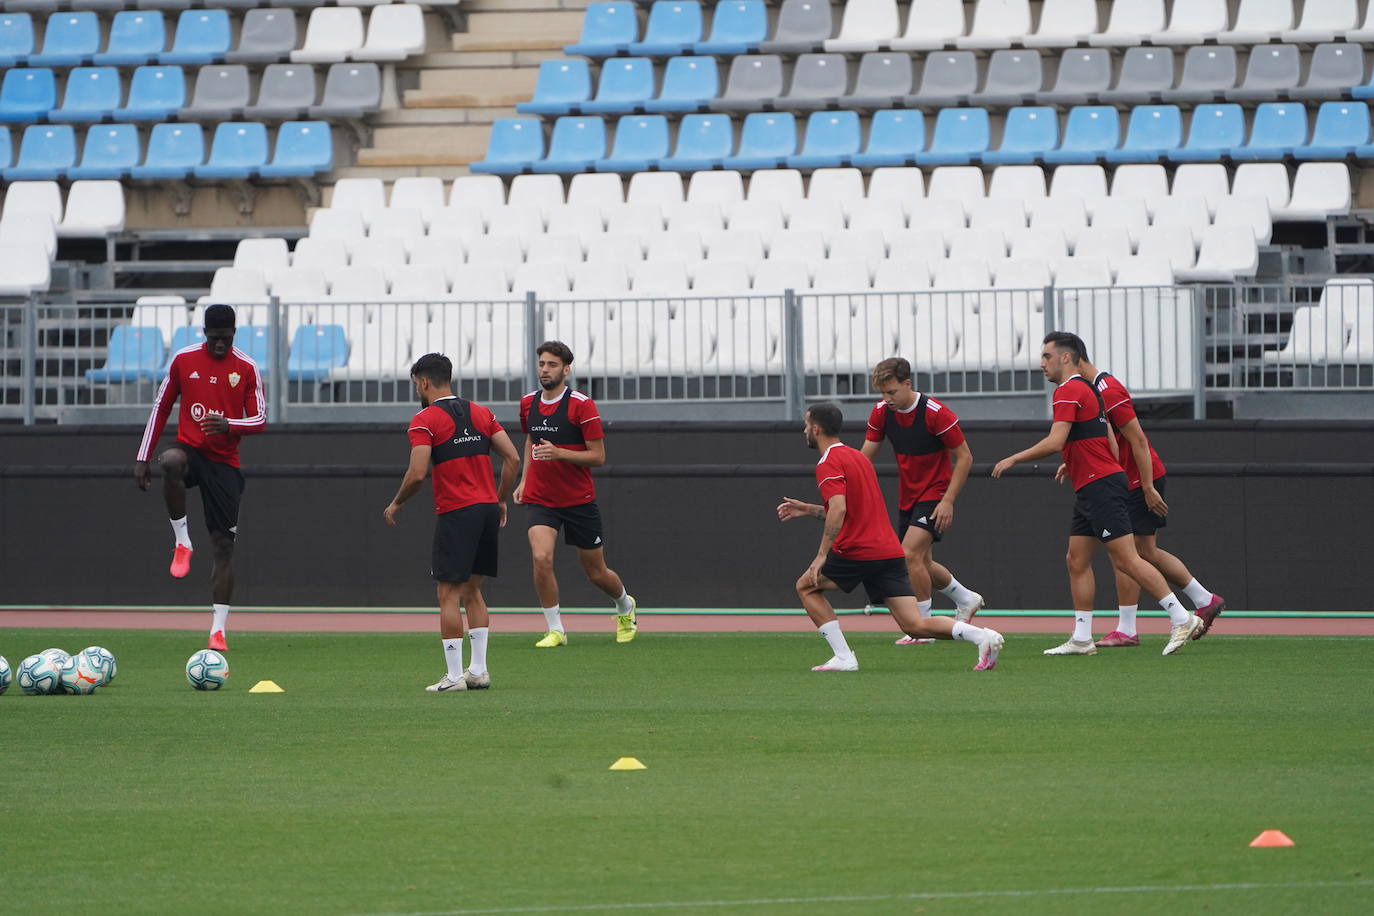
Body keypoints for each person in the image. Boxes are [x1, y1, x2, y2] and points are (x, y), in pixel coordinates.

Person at [991, 332, 1204, 657]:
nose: (1041, 363)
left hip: (1099, 485)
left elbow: (1054, 440)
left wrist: (1014, 458)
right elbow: (1109, 441)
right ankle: (1081, 638)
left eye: (1047, 356)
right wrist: (1076, 462)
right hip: (1094, 483)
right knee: (1076, 559)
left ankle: (1181, 617)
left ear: (1066, 357)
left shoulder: (1068, 390)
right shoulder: (1089, 390)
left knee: (1127, 558)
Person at [777, 402, 1004, 672]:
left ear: (815, 428)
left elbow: (839, 509)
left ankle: (844, 657)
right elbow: (849, 511)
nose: (804, 430)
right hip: (889, 552)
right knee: (915, 626)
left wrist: (821, 556)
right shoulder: (858, 458)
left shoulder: (828, 462)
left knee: (806, 587)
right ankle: (983, 636)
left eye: (806, 425)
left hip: (857, 551)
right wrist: (810, 510)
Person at [384, 353, 520, 693]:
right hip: (488, 508)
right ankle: (479, 671)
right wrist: (500, 497)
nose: (417, 389)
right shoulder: (481, 412)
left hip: (458, 511)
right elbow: (513, 457)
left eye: (417, 383)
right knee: (473, 590)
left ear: (424, 382)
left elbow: (417, 473)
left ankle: (455, 676)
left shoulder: (424, 420)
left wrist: (397, 502)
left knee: (447, 592)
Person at [1066, 362, 1226, 648]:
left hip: (1137, 480)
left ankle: (1132, 627)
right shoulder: (1092, 390)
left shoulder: (1108, 391)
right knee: (1140, 552)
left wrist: (1149, 486)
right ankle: (1203, 599)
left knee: (1128, 555)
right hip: (1128, 478)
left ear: (1074, 361)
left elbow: (1138, 440)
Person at [134, 304, 265, 652]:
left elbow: (261, 419)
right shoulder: (184, 360)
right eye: (213, 338)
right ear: (204, 334)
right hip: (192, 449)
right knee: (171, 460)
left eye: (225, 338)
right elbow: (161, 406)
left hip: (224, 462)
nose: (219, 344)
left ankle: (218, 630)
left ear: (234, 334)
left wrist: (230, 424)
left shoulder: (247, 367)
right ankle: (182, 541)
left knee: (224, 549)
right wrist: (143, 456)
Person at [513, 341, 637, 647]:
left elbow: (598, 456)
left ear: (566, 370)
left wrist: (560, 453)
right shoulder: (528, 402)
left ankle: (625, 606)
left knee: (596, 572)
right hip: (541, 498)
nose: (545, 369)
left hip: (578, 499)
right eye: (541, 363)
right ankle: (556, 629)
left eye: (552, 364)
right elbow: (531, 440)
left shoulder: (582, 405)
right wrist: (524, 480)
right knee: (541, 558)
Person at [861, 358, 985, 644]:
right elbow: (865, 456)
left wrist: (948, 500)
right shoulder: (882, 412)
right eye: (882, 393)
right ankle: (966, 599)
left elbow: (965, 457)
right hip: (909, 497)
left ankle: (923, 628)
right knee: (921, 563)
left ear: (908, 384)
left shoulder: (935, 413)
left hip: (936, 495)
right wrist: (845, 476)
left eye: (891, 392)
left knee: (908, 556)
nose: (886, 399)